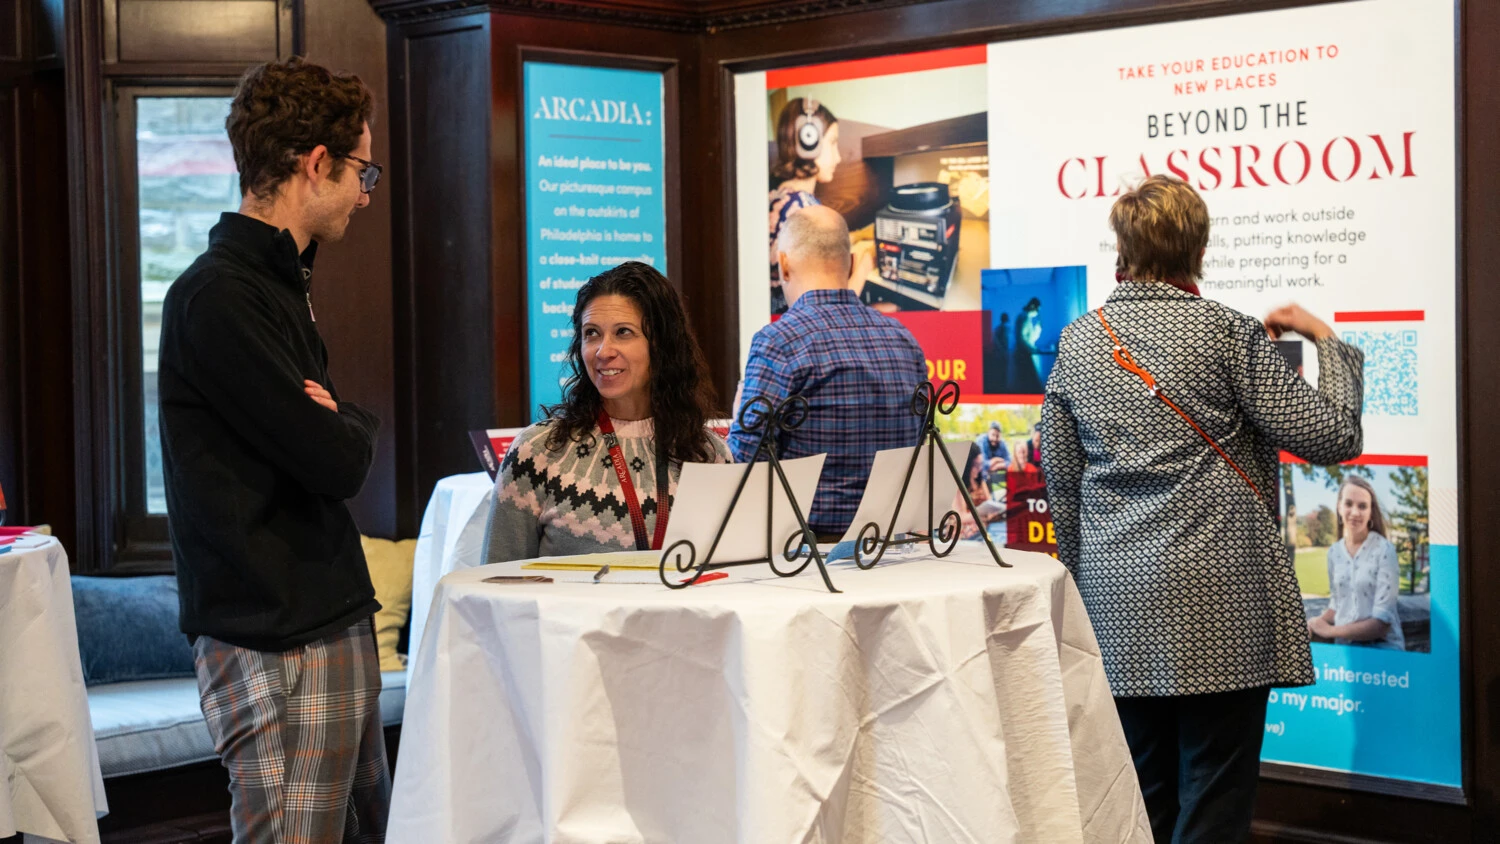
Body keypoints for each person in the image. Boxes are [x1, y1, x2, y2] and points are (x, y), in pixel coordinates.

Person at [1039, 174, 1364, 844]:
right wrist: (1324, 338)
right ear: (1201, 247)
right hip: (1222, 607)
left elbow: (1062, 484)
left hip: (1119, 607)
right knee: (1215, 798)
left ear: (1121, 247)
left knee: (1138, 799)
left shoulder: (1077, 342)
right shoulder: (1228, 334)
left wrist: (1089, 585)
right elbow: (1334, 435)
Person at [157, 57, 390, 841]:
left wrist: (340, 423)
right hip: (275, 637)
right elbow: (335, 460)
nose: (366, 191)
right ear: (314, 164)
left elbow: (325, 446)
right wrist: (354, 423)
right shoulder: (218, 295)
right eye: (362, 169)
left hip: (323, 618)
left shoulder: (279, 282)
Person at [482, 262, 732, 563]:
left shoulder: (708, 454)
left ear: (662, 345)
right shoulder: (537, 452)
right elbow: (495, 583)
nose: (603, 351)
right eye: (591, 333)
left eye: (623, 332)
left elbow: (727, 578)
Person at [730, 205, 926, 537]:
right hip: (891, 553)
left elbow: (744, 466)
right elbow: (922, 450)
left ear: (784, 265)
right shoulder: (904, 340)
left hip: (805, 560)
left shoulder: (778, 342)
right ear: (850, 264)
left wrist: (739, 419)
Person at [768, 98, 873, 314]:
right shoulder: (804, 212)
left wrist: (858, 236)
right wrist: (864, 267)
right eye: (833, 142)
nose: (838, 157)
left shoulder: (780, 197)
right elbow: (830, 310)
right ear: (809, 141)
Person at [1308, 476, 1405, 649]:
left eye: (1362, 506)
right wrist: (1316, 622)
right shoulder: (1333, 553)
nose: (1355, 512)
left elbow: (1381, 624)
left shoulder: (1384, 550)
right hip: (1346, 650)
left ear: (1370, 512)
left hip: (1383, 652)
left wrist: (1330, 631)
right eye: (1348, 504)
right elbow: (1337, 605)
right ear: (1339, 507)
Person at [974, 421, 1011, 487]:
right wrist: (996, 460)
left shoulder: (1002, 443)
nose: (995, 438)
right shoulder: (981, 441)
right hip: (977, 477)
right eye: (993, 435)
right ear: (988, 432)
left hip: (990, 475)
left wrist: (997, 466)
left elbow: (1010, 461)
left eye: (997, 436)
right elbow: (982, 464)